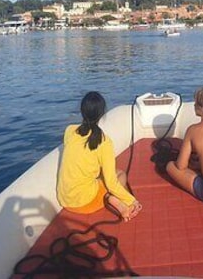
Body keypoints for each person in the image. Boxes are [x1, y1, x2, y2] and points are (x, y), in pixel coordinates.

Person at [57, 92, 142, 221]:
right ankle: (117, 202)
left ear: (82, 110)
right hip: (84, 203)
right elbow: (111, 182)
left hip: (65, 199)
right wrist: (132, 201)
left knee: (98, 178)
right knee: (121, 175)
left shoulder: (69, 131)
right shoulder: (104, 142)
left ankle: (111, 198)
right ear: (102, 114)